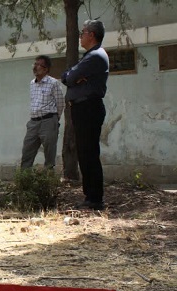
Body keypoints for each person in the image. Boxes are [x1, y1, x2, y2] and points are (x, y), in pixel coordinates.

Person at [62, 20, 109, 211]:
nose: (80, 36)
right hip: (82, 109)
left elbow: (71, 77)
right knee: (84, 152)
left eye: (83, 33)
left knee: (89, 153)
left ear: (92, 35)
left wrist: (73, 77)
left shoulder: (96, 56)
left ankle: (95, 198)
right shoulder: (88, 57)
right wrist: (72, 76)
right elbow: (67, 76)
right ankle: (89, 196)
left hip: (88, 108)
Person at [21, 55, 65, 169]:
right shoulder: (32, 83)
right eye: (34, 64)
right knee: (27, 152)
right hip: (33, 123)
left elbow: (60, 103)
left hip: (48, 121)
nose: (35, 67)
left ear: (46, 69)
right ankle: (25, 177)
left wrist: (54, 120)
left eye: (38, 65)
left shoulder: (53, 83)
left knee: (49, 154)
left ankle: (48, 178)